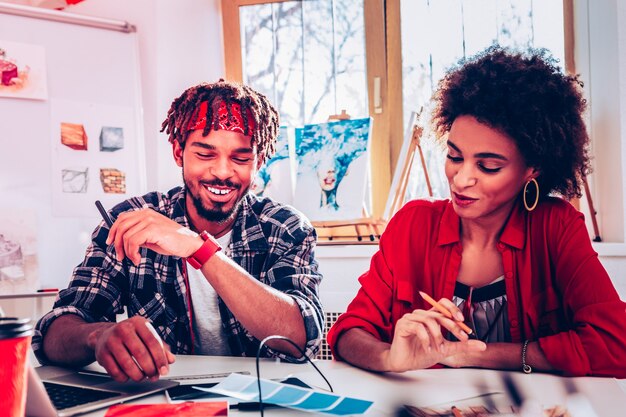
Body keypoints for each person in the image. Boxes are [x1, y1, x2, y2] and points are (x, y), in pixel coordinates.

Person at [327, 46, 626, 378]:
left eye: (488, 166)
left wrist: (479, 355)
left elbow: (616, 345)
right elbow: (349, 333)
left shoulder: (556, 227)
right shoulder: (412, 225)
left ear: (532, 169)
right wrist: (389, 359)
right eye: (455, 157)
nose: (462, 178)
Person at [33, 80, 324, 382]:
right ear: (178, 152)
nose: (223, 172)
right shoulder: (132, 220)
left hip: (263, 400)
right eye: (205, 154)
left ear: (259, 161)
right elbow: (53, 334)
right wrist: (98, 336)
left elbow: (302, 341)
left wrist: (198, 249)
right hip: (165, 398)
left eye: (240, 158)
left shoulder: (285, 227)